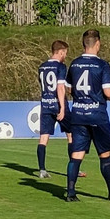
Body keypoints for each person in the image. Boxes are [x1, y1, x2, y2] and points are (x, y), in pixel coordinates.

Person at [64, 29, 110, 202]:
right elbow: (108, 91)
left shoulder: (75, 64)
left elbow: (68, 88)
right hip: (97, 115)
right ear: (98, 43)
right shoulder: (102, 65)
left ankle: (71, 192)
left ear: (83, 44)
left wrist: (80, 96)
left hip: (78, 114)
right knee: (105, 155)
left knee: (76, 155)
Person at [36, 40, 76, 180]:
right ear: (60, 52)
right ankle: (74, 168)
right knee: (70, 135)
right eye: (65, 53)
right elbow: (60, 88)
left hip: (45, 105)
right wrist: (63, 108)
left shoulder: (42, 67)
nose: (65, 56)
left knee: (43, 138)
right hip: (58, 104)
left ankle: (42, 170)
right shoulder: (61, 66)